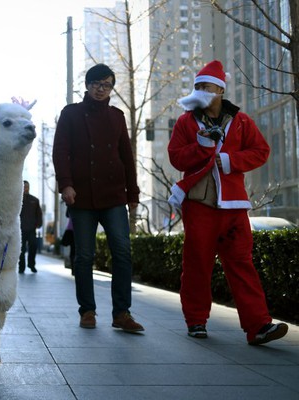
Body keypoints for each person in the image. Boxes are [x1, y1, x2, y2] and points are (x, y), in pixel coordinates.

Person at [168, 60, 288, 345]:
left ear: (220, 89)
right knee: (197, 264)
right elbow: (176, 157)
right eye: (197, 86)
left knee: (242, 264)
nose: (200, 90)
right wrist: (202, 147)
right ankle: (196, 320)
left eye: (205, 86)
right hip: (198, 204)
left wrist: (230, 161)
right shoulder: (186, 121)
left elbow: (261, 151)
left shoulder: (242, 121)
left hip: (234, 206)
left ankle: (259, 326)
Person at [52, 64, 144, 332]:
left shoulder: (117, 116)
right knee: (84, 255)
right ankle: (87, 310)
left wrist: (133, 192)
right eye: (96, 84)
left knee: (122, 252)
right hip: (81, 196)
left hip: (114, 194)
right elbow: (61, 152)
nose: (101, 89)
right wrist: (65, 185)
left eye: (107, 85)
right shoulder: (71, 113)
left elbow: (127, 156)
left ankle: (122, 313)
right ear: (87, 85)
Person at [19, 180, 43, 273]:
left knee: (33, 246)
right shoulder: (17, 200)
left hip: (31, 229)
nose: (26, 188)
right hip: (20, 229)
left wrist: (38, 224)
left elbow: (39, 214)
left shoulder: (35, 200)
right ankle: (21, 267)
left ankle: (31, 264)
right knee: (21, 250)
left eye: (27, 187)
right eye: (24, 187)